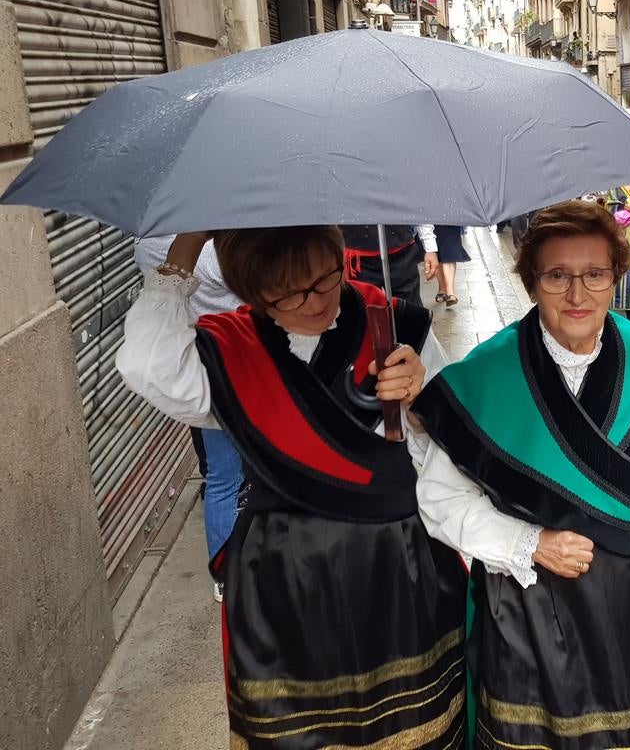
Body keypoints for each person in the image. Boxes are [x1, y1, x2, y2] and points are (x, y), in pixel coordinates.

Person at [115, 228, 467, 746]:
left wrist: (420, 406)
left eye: (325, 279)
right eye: (287, 291)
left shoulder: (395, 326)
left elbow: (457, 450)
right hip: (285, 576)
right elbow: (146, 364)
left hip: (397, 563)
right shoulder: (229, 349)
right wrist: (185, 251)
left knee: (410, 725)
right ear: (251, 289)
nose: (314, 302)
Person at [412, 200, 630, 750]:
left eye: (594, 274)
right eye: (557, 275)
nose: (577, 294)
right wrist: (528, 542)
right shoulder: (487, 375)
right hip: (528, 608)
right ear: (530, 280)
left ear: (617, 277)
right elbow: (439, 499)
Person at [132, 234, 244, 602]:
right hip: (237, 360)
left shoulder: (144, 245)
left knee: (221, 476)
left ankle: (223, 574)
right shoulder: (210, 253)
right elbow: (253, 285)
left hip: (197, 365)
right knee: (240, 471)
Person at [339, 223, 440, 307]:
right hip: (357, 258)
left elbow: (417, 203)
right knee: (363, 315)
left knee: (410, 312)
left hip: (401, 252)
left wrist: (430, 247)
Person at [432, 224, 470, 307]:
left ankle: (450, 292)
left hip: (451, 217)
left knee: (450, 248)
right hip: (431, 218)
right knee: (436, 251)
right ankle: (442, 288)